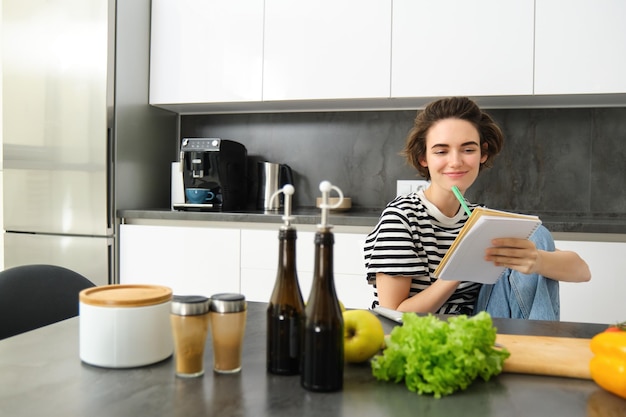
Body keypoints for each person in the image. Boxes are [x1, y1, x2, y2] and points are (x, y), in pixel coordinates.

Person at [363, 97, 591, 320]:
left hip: (473, 329)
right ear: (424, 157)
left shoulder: (479, 219)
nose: (455, 161)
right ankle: (539, 351)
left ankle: (536, 347)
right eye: (441, 151)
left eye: (468, 150)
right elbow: (392, 312)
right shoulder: (402, 218)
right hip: (418, 335)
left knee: (537, 237)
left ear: (483, 153)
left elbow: (582, 272)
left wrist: (537, 261)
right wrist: (460, 268)